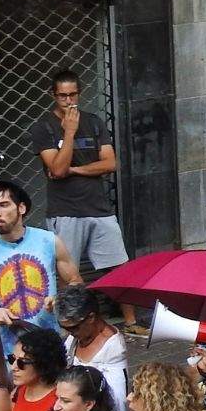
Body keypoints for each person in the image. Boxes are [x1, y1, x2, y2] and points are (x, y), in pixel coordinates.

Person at [30, 69, 129, 296]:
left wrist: (74, 169)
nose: (68, 101)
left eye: (73, 95)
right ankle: (70, 322)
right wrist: (70, 133)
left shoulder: (94, 122)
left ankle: (131, 319)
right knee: (68, 271)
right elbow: (57, 169)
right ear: (54, 95)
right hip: (65, 210)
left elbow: (109, 163)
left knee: (119, 266)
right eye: (63, 96)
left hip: (98, 207)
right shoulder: (43, 127)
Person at [0, 180, 79, 352]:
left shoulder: (49, 241)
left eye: (3, 205)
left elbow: (75, 282)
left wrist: (60, 299)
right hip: (6, 350)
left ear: (21, 208)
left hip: (50, 343)